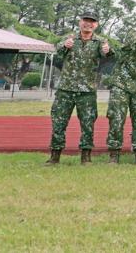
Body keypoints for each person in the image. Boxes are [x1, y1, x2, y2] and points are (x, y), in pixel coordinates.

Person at [48, 12, 111, 165]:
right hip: (66, 89)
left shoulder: (100, 42)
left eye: (92, 22)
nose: (88, 24)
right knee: (59, 122)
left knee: (88, 124)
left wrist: (108, 51)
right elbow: (57, 55)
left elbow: (109, 55)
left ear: (96, 25)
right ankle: (55, 156)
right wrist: (65, 46)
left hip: (87, 92)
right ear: (80, 22)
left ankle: (86, 157)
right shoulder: (69, 38)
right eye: (85, 21)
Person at [106, 12, 136, 164]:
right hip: (121, 84)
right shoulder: (134, 34)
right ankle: (114, 155)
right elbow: (127, 45)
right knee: (116, 119)